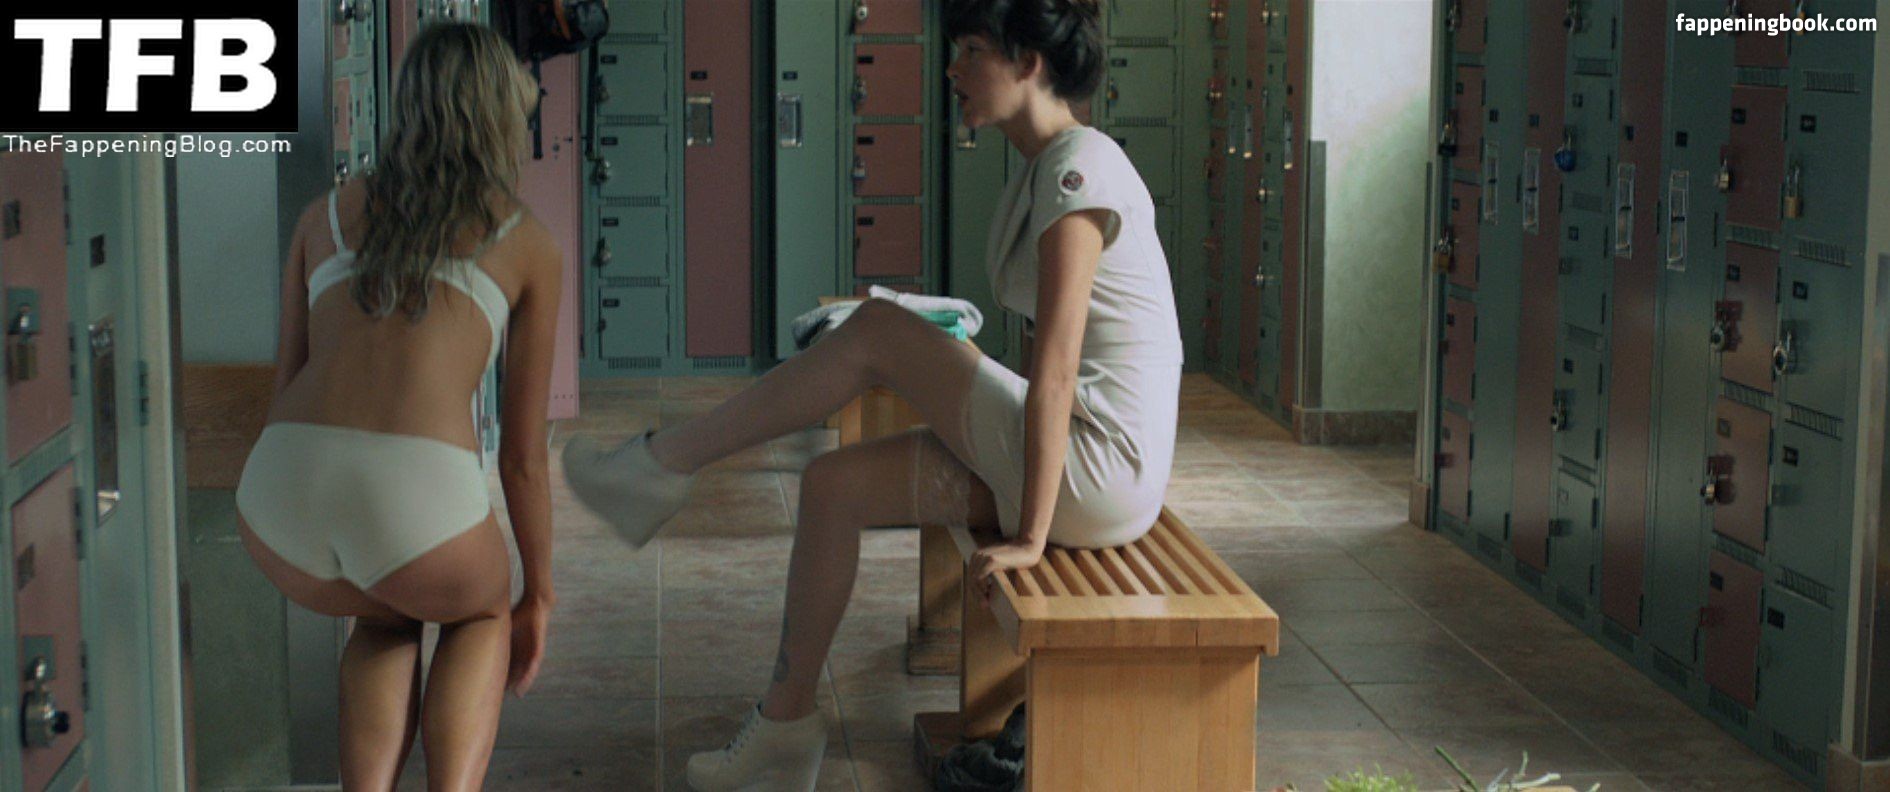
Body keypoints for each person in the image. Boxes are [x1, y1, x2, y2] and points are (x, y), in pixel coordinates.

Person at [563, 0, 1182, 788]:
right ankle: (785, 732)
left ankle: (660, 465)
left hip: (1098, 470)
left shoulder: (1078, 172)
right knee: (833, 485)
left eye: (971, 50)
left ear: (1029, 63)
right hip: (1083, 467)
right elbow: (1044, 362)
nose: (953, 69)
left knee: (881, 331)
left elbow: (1057, 373)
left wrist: (1030, 537)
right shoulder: (1047, 166)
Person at [233, 22, 562, 790]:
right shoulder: (525, 240)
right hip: (411, 502)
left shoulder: (322, 217)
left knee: (386, 610)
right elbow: (521, 456)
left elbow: (286, 389)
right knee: (478, 611)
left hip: (280, 501)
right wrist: (538, 594)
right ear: (501, 117)